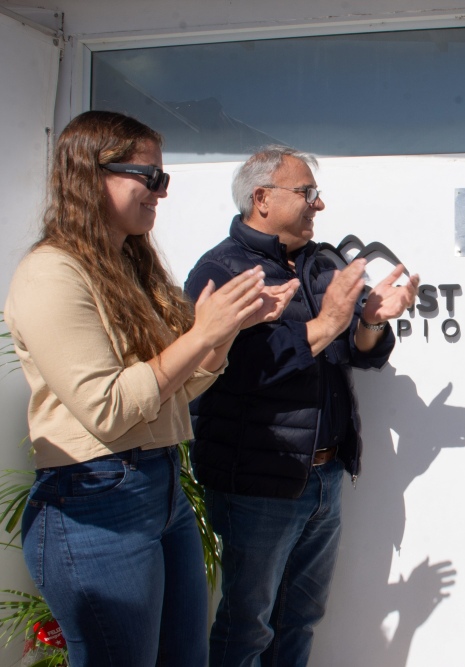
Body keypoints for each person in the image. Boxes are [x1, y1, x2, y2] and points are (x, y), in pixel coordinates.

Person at [3, 111, 296, 666]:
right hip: (92, 499)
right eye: (151, 176)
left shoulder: (128, 267)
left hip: (158, 488)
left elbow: (175, 392)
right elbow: (108, 410)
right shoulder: (51, 274)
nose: (162, 192)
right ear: (92, 174)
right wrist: (202, 332)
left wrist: (226, 331)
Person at [184, 145, 419, 667]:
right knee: (247, 626)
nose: (319, 205)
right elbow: (236, 372)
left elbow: (358, 356)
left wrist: (370, 320)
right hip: (259, 483)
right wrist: (331, 321)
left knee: (301, 618)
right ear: (262, 198)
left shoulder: (318, 264)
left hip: (324, 475)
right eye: (307, 192)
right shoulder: (221, 270)